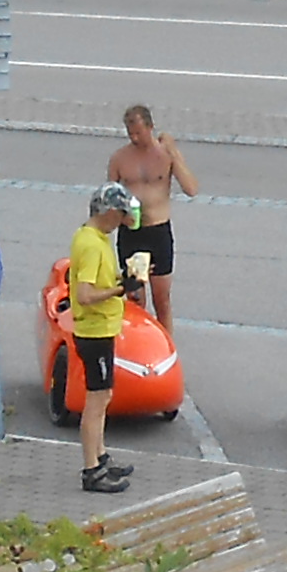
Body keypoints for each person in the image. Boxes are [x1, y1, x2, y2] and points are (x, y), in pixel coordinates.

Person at [67, 182, 140, 495]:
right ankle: (91, 469)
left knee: (104, 395)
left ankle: (101, 455)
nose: (122, 220)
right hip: (94, 331)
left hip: (101, 329)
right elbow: (84, 295)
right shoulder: (93, 245)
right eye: (121, 214)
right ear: (109, 212)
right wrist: (120, 290)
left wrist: (118, 280)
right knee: (96, 401)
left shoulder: (92, 237)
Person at [112, 103, 201, 330]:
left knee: (162, 299)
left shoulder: (165, 154)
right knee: (135, 300)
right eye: (130, 133)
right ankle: (138, 346)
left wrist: (174, 154)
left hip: (158, 231)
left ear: (150, 127)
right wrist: (120, 216)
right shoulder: (120, 158)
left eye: (139, 133)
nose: (134, 138)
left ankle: (166, 346)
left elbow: (191, 189)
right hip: (131, 233)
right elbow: (109, 196)